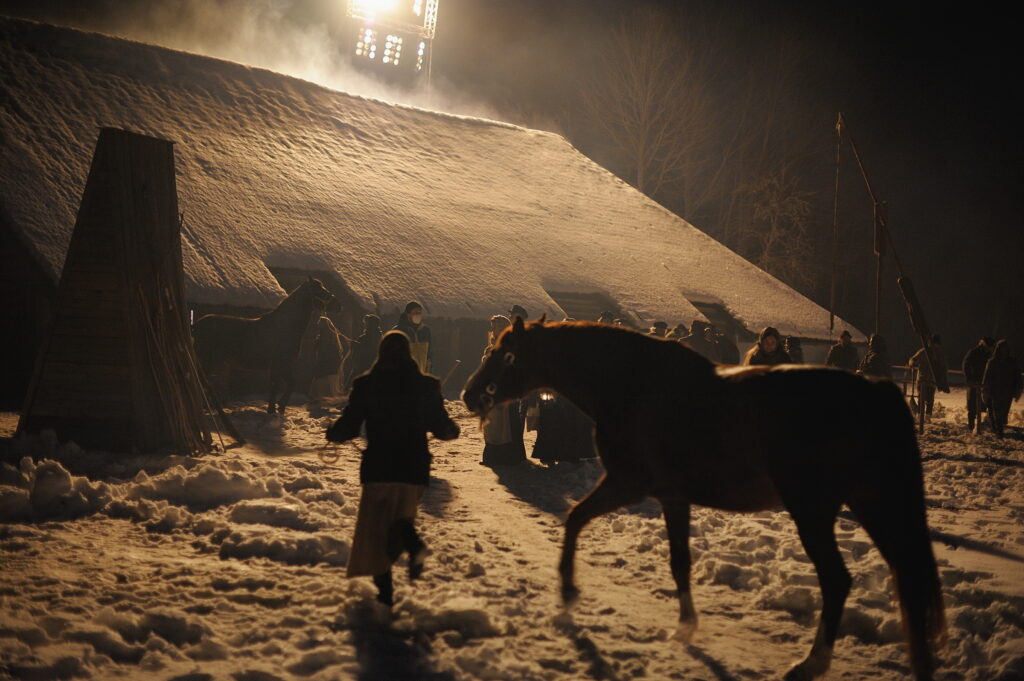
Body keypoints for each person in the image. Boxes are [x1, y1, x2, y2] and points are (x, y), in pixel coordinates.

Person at [326, 331, 460, 606]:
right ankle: (411, 542)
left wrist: (334, 434)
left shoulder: (366, 385)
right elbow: (443, 428)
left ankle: (385, 593)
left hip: (379, 468)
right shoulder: (427, 386)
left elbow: (349, 425)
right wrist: (451, 429)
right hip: (414, 470)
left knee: (376, 533)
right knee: (399, 520)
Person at [480, 315, 527, 466]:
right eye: (492, 327)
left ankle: (508, 457)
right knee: (493, 425)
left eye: (495, 327)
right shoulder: (492, 345)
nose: (493, 330)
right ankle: (494, 457)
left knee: (506, 425)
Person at [981, 340, 1023, 438]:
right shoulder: (992, 361)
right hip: (994, 391)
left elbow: (1017, 376)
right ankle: (998, 431)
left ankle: (997, 429)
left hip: (1007, 391)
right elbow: (987, 376)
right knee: (995, 411)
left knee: (1003, 412)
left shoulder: (1012, 362)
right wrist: (985, 389)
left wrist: (1019, 389)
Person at [908, 334, 948, 420]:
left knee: (925, 399)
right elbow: (913, 360)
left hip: (926, 380)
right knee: (926, 400)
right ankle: (924, 417)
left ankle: (923, 417)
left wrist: (912, 363)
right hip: (926, 380)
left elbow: (912, 360)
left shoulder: (925, 352)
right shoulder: (929, 353)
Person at [962, 337, 995, 432]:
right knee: (972, 405)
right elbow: (966, 364)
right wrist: (969, 378)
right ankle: (971, 426)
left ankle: (984, 426)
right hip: (974, 382)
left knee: (986, 404)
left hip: (984, 382)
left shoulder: (989, 354)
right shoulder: (974, 352)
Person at [309, 315, 345, 401]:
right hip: (331, 363)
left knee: (324, 383)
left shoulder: (322, 339)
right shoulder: (331, 337)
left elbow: (320, 352)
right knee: (331, 383)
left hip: (325, 363)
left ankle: (323, 400)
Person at [393, 301, 432, 373]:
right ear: (408, 314)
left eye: (419, 313)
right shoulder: (398, 331)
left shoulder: (425, 331)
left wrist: (428, 371)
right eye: (415, 313)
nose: (418, 315)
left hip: (421, 374)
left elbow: (429, 354)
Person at [347, 314, 382, 387]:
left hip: (364, 368)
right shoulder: (380, 336)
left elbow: (367, 351)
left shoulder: (366, 338)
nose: (365, 325)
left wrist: (355, 345)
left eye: (366, 323)